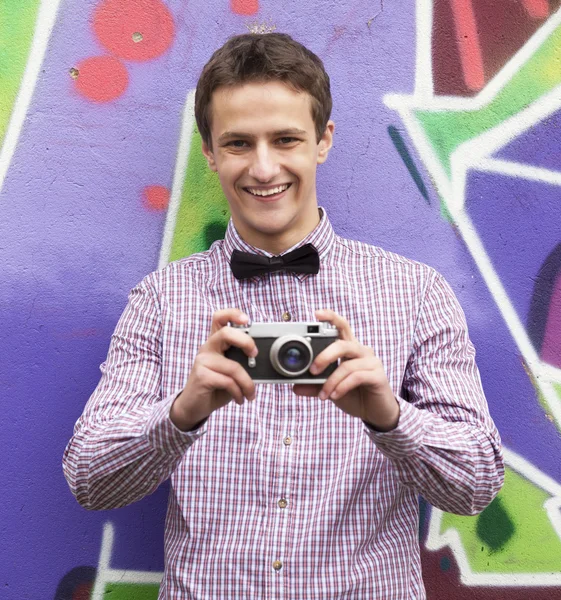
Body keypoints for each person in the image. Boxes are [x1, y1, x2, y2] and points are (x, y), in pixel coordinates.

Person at [63, 32, 504, 599]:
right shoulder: (160, 301)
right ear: (210, 151)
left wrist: (390, 418)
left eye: (287, 139)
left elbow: (475, 486)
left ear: (323, 141)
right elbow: (90, 481)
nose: (264, 167)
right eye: (239, 143)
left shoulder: (415, 293)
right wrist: (182, 413)